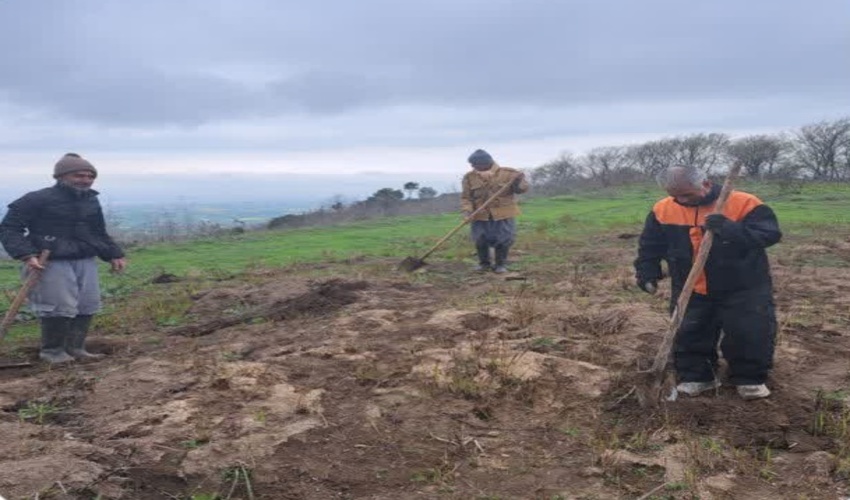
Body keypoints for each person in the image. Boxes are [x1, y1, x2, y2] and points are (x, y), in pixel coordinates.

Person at [634, 165, 781, 400]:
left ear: (706, 184)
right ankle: (698, 376)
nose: (681, 201)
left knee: (748, 331)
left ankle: (750, 379)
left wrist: (730, 229)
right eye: (675, 196)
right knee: (690, 331)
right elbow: (651, 244)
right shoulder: (663, 209)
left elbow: (769, 235)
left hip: (743, 285)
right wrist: (647, 271)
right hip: (690, 285)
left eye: (687, 194)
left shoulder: (744, 203)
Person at [0, 153, 127, 363]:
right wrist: (26, 254)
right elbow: (9, 228)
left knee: (88, 303)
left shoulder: (91, 200)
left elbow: (98, 231)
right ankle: (52, 352)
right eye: (79, 175)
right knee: (57, 305)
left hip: (84, 258)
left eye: (90, 176)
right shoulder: (36, 199)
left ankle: (76, 348)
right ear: (61, 176)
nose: (85, 180)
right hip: (48, 261)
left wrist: (114, 253)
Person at [461, 149, 529, 273]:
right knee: (480, 239)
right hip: (480, 214)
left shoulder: (509, 174)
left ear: (485, 163)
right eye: (471, 165)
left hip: (503, 213)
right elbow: (466, 197)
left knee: (504, 239)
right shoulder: (469, 177)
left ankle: (500, 265)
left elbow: (521, 190)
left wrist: (519, 180)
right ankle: (484, 264)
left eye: (475, 164)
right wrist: (467, 211)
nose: (472, 167)